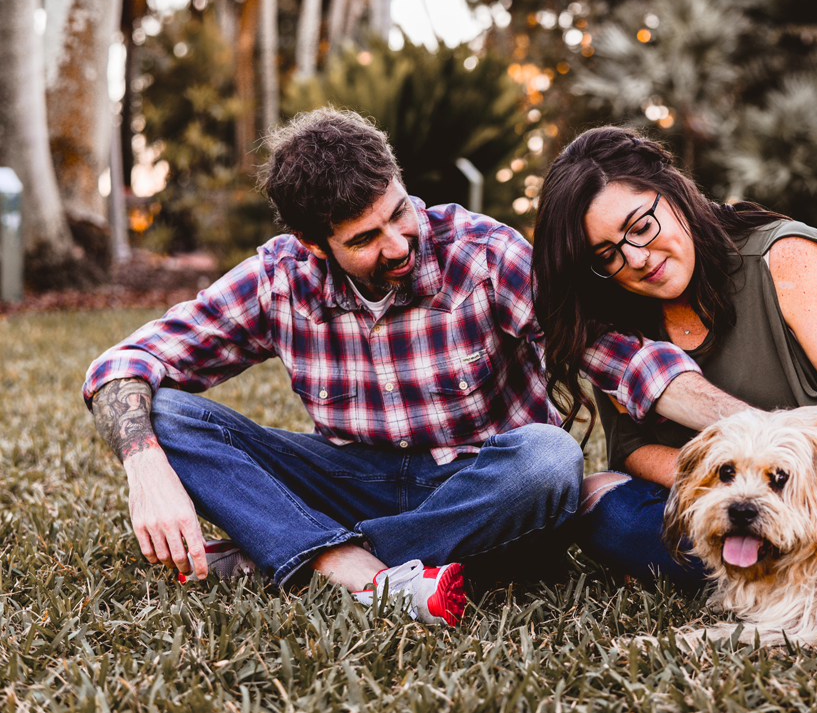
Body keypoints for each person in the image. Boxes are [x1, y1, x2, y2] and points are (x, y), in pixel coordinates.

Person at [83, 109, 751, 626]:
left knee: (551, 458)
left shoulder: (484, 252)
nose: (399, 241)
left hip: (487, 493)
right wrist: (143, 461)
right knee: (165, 411)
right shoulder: (277, 278)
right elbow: (124, 363)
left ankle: (300, 557)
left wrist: (759, 426)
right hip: (351, 475)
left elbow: (628, 358)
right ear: (315, 246)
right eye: (366, 238)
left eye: (398, 211)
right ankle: (350, 568)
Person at [532, 126, 817, 589]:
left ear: (671, 191)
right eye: (608, 253)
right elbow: (633, 450)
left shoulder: (785, 257)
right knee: (602, 510)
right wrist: (729, 490)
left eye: (640, 226)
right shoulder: (609, 314)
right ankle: (814, 567)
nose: (635, 258)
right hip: (713, 504)